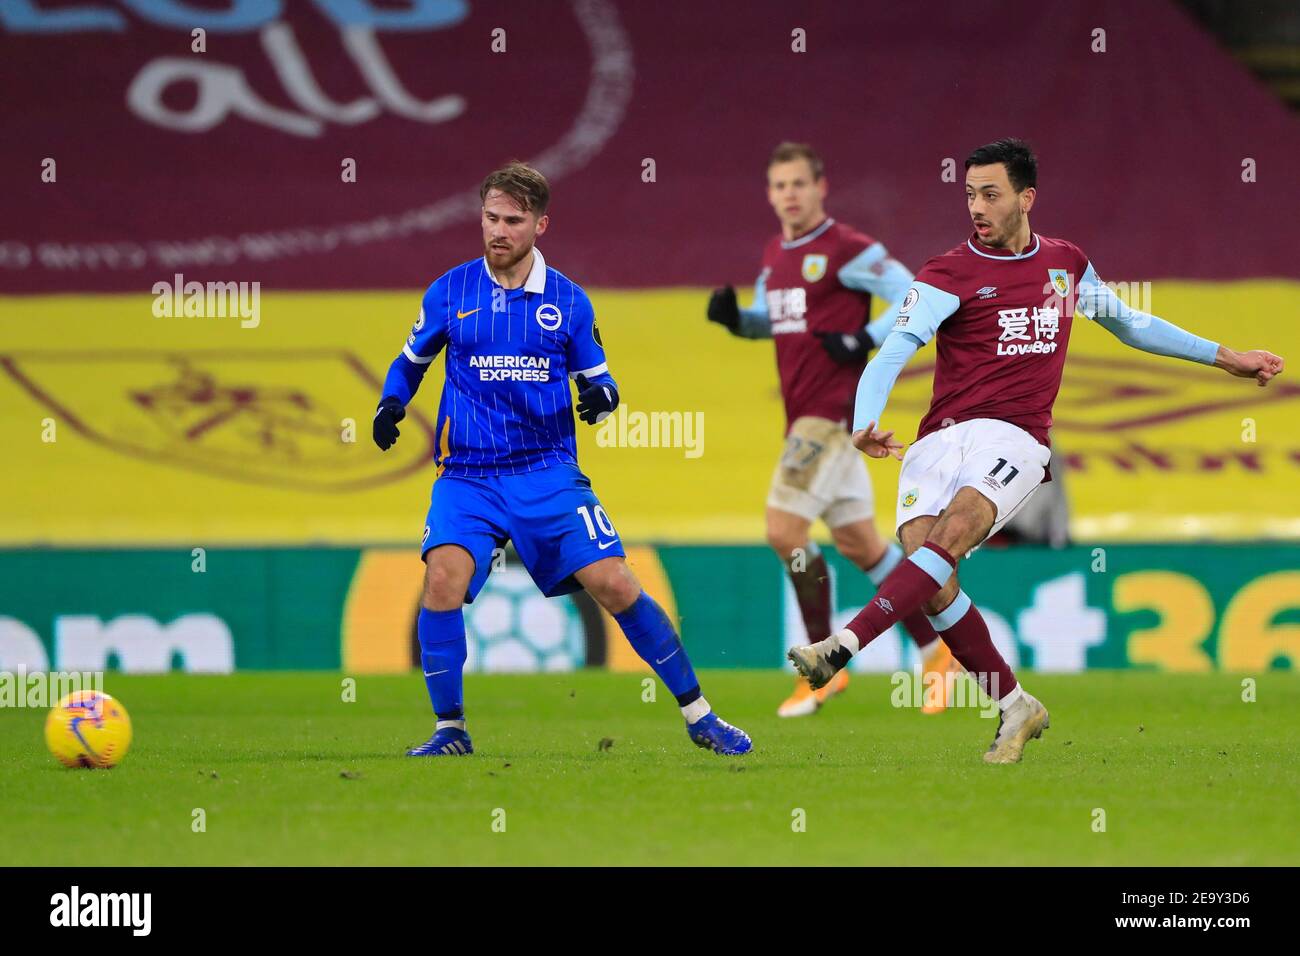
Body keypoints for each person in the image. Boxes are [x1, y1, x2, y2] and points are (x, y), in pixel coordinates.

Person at [789, 138, 1285, 762]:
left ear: (1026, 197)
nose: (977, 206)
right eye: (969, 194)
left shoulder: (1065, 266)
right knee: (931, 579)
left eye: (990, 194)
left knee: (950, 538)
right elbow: (895, 347)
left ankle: (840, 649)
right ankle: (1016, 706)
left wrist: (1227, 357)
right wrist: (865, 420)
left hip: (1016, 437)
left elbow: (1131, 324)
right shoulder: (948, 274)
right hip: (940, 437)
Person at [374, 161, 752, 757]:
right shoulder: (450, 290)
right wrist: (391, 404)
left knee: (616, 583)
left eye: (513, 220)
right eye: (491, 218)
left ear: (540, 225)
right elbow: (409, 361)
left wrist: (601, 400)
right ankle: (450, 731)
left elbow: (600, 386)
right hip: (467, 475)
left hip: (545, 470)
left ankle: (701, 716)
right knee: (442, 579)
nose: (498, 231)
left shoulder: (568, 303)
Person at [707, 142, 959, 718]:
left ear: (821, 187)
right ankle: (933, 648)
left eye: (799, 183)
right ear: (769, 194)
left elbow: (912, 295)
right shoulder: (775, 254)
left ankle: (823, 670)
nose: (789, 195)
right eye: (779, 186)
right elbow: (771, 324)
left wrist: (864, 338)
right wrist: (734, 321)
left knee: (783, 528)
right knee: (861, 545)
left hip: (831, 415)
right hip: (808, 418)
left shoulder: (846, 248)